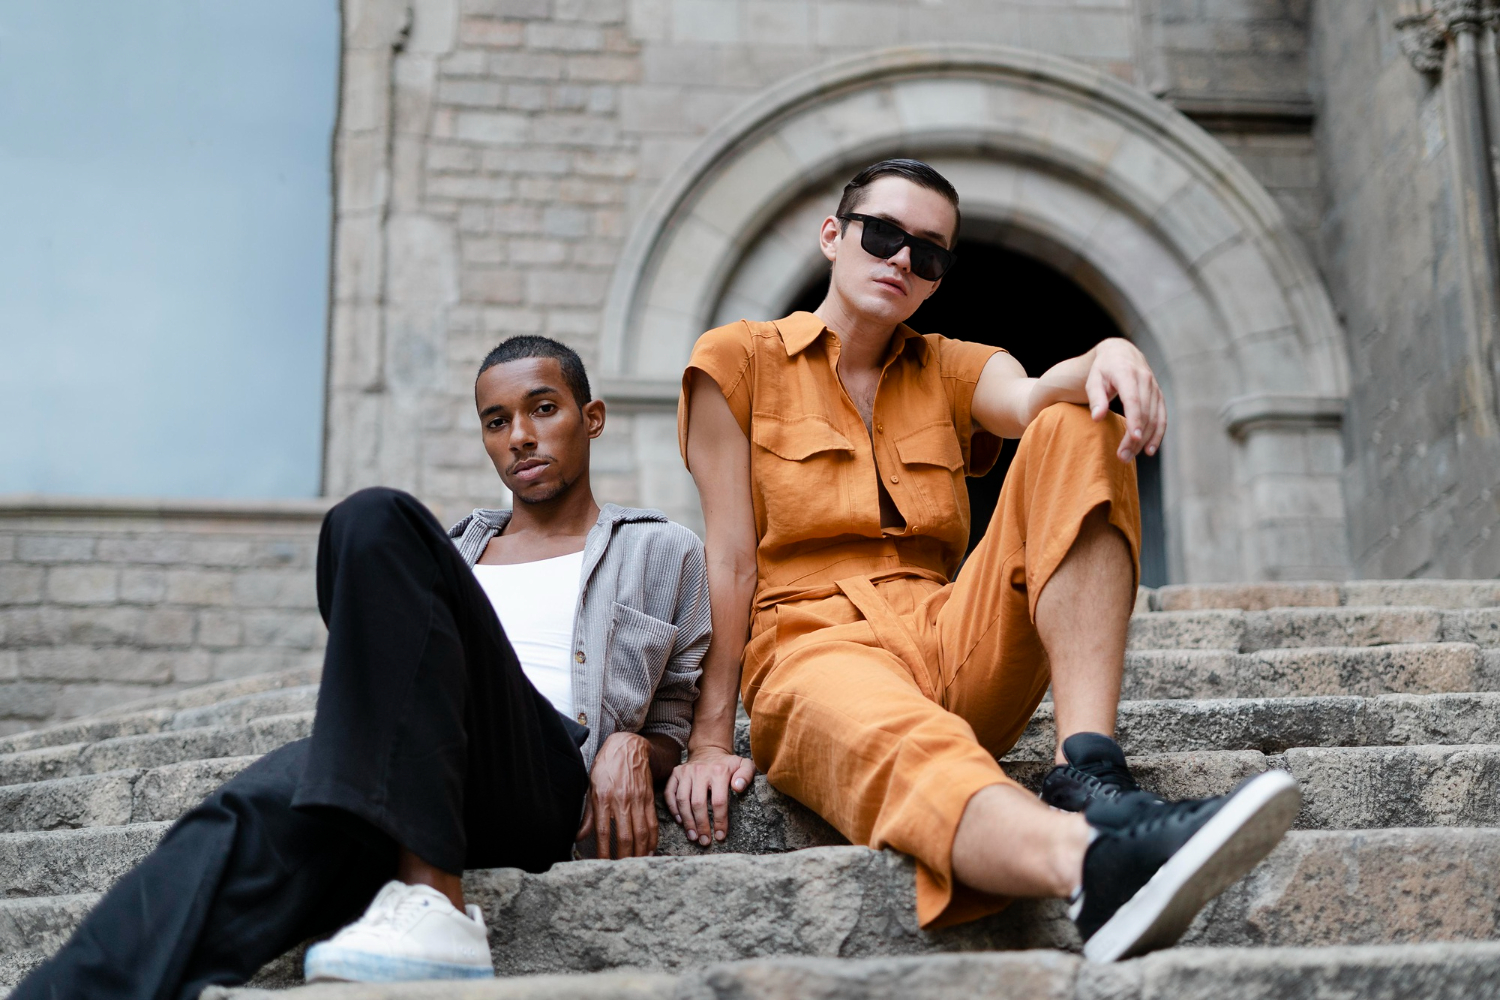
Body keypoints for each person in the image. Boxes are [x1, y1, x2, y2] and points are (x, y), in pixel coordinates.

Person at [669, 159, 1300, 963]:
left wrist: (1108, 352)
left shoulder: (953, 366)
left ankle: (1089, 769)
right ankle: (1093, 864)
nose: (902, 260)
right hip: (811, 647)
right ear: (834, 235)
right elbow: (728, 563)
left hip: (951, 633)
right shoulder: (738, 360)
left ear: (937, 279)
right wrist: (710, 741)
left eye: (928, 253)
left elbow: (1036, 395)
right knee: (905, 740)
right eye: (884, 235)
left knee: (1081, 420)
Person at [13, 336, 711, 996]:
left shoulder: (660, 548)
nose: (520, 436)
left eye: (543, 409)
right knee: (245, 815)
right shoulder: (451, 550)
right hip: (420, 763)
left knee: (381, 515)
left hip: (537, 771)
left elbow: (676, 711)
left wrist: (635, 748)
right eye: (496, 422)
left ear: (592, 418)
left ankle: (434, 893)